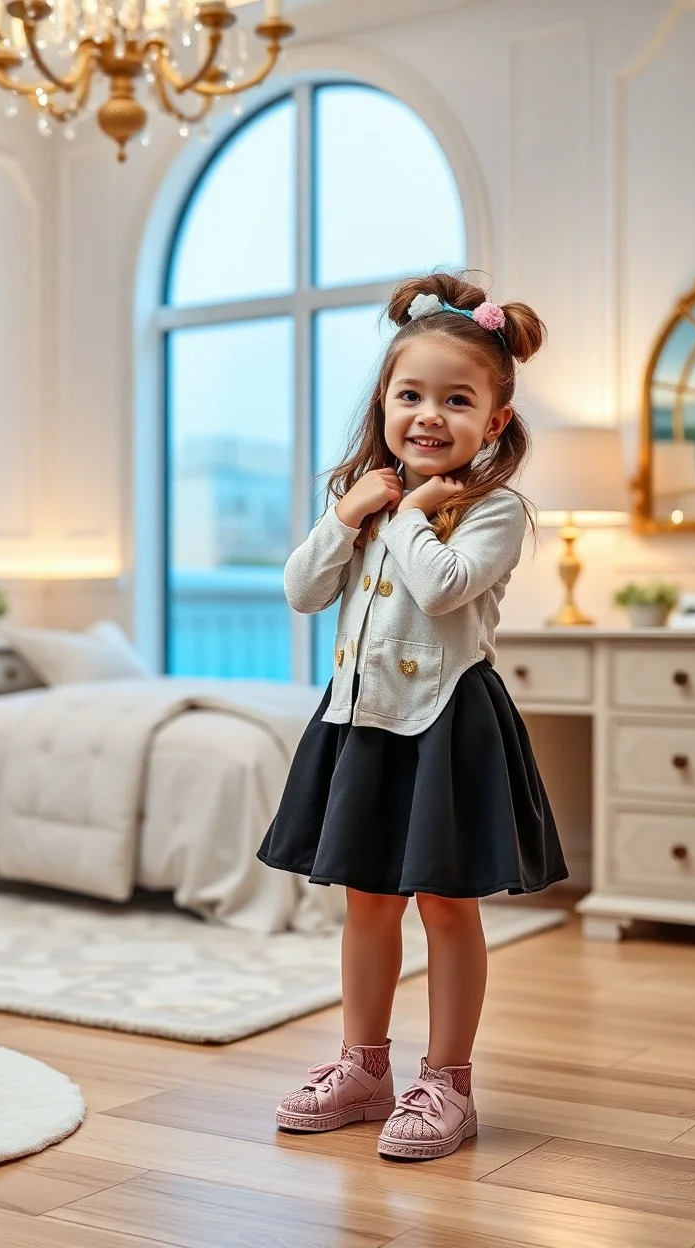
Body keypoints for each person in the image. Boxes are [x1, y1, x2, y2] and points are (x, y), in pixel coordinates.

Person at [257, 270, 568, 1162]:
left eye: (456, 400)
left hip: (445, 724)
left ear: (493, 422)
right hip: (362, 720)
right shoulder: (362, 497)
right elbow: (302, 590)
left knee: (444, 904)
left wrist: (404, 521)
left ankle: (448, 1084)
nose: (430, 416)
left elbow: (440, 592)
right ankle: (364, 1069)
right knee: (367, 901)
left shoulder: (494, 509)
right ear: (385, 403)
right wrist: (348, 516)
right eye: (411, 395)